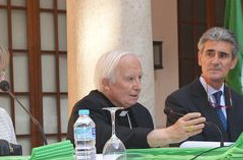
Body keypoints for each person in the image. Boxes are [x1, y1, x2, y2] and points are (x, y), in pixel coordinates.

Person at [66, 50, 205, 153]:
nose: (138, 86)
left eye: (140, 77)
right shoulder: (86, 109)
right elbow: (107, 139)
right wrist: (167, 134)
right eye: (130, 79)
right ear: (106, 84)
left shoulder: (141, 112)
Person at [165, 27, 243, 143]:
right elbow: (186, 147)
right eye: (210, 54)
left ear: (233, 63)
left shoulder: (237, 100)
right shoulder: (179, 101)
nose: (215, 61)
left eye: (222, 55)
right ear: (200, 58)